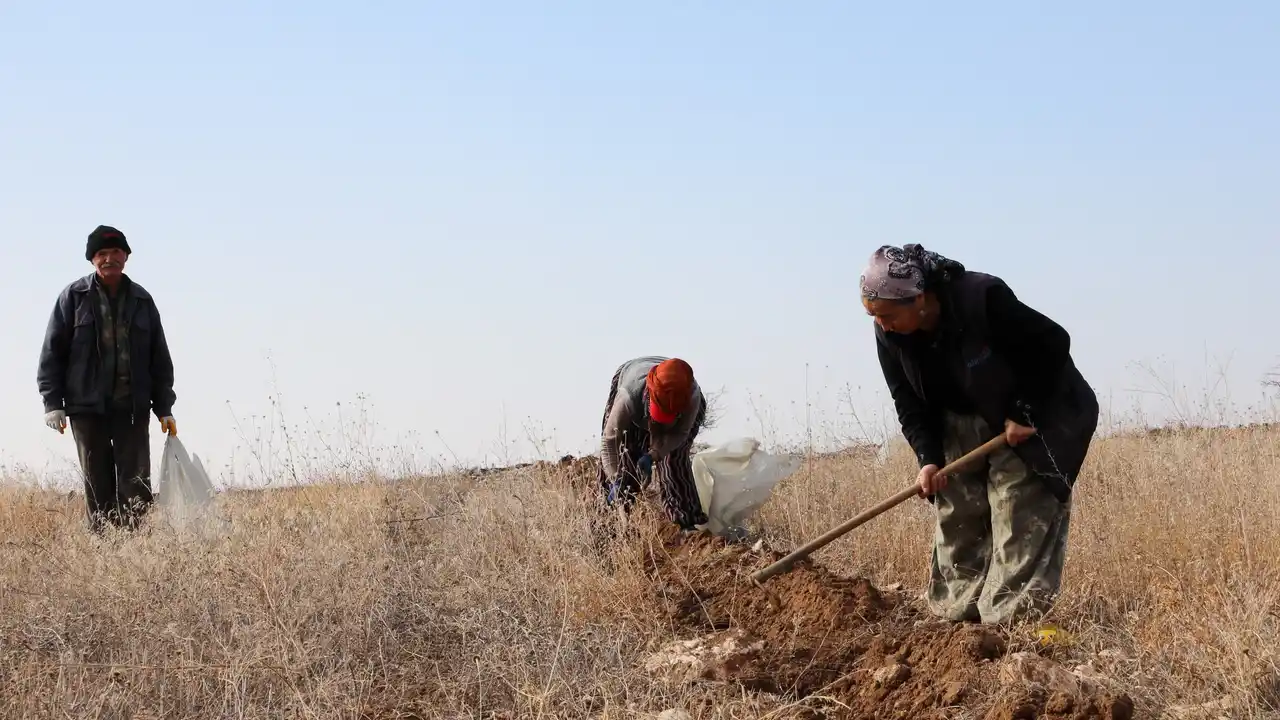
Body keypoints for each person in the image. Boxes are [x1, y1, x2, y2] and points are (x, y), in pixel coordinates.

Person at [860, 244, 1098, 626]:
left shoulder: (981, 298)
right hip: (959, 417)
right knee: (956, 506)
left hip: (1032, 412)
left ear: (918, 298)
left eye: (887, 315)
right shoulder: (889, 334)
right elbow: (908, 403)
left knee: (1017, 509)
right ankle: (957, 618)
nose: (882, 324)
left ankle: (1011, 625)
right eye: (873, 316)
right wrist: (929, 460)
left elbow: (1051, 345)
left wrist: (1022, 411)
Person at [37, 225, 178, 533]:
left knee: (136, 483)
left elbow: (159, 357)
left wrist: (164, 407)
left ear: (126, 256)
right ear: (92, 260)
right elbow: (52, 352)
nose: (109, 258)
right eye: (102, 253)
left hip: (132, 406)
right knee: (97, 483)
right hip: (86, 409)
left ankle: (135, 549)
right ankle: (103, 549)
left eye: (115, 252)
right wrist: (53, 403)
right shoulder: (73, 298)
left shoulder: (142, 300)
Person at [596, 356, 709, 531]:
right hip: (633, 381)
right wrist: (615, 480)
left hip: (681, 399)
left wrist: (654, 455)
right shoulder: (628, 396)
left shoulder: (691, 398)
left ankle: (686, 522)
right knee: (625, 453)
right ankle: (610, 522)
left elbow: (680, 434)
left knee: (674, 459)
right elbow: (610, 441)